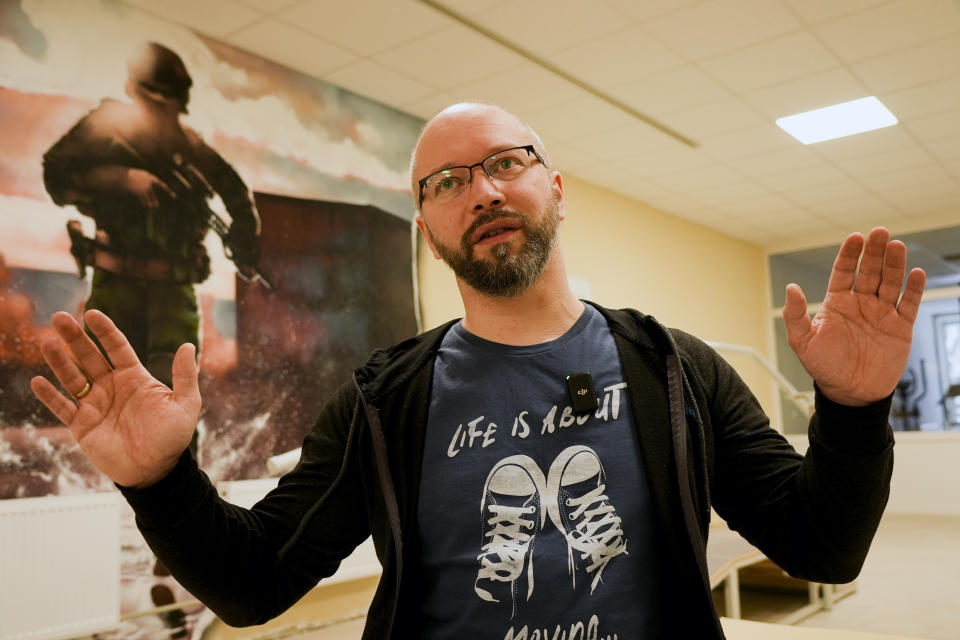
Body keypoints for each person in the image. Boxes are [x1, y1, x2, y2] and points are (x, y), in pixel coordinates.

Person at [30, 103, 926, 639]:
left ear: (556, 189)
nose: (484, 191)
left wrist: (853, 408)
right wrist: (159, 481)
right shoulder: (385, 400)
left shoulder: (675, 369)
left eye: (506, 163)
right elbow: (256, 584)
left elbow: (822, 546)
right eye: (447, 182)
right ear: (427, 227)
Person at [42, 41, 261, 391]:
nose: (165, 115)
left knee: (174, 398)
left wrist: (245, 240)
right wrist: (123, 179)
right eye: (156, 104)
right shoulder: (105, 127)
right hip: (115, 286)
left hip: (173, 292)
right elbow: (55, 177)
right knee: (105, 394)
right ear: (134, 92)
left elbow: (236, 192)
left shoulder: (188, 146)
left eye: (170, 107)